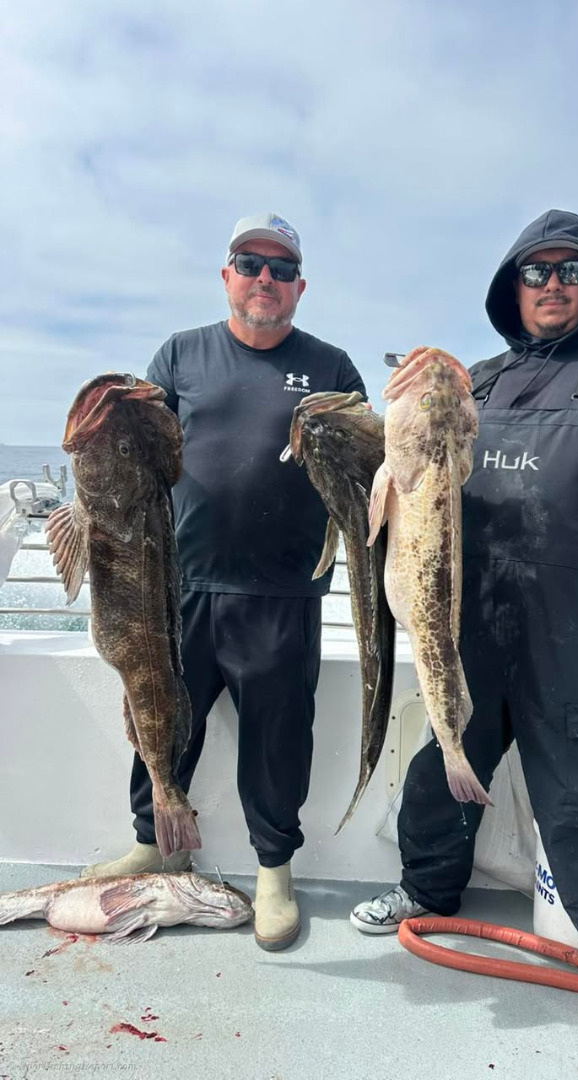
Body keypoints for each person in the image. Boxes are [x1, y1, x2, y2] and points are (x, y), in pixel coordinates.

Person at [350, 210, 578, 1079]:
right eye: (535, 271)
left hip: (577, 645)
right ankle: (428, 889)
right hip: (473, 626)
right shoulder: (479, 380)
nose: (552, 284)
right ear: (512, 286)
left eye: (569, 269)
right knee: (440, 773)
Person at [82, 212, 366, 952]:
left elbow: (364, 462)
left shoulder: (332, 366)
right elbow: (139, 458)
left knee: (277, 738)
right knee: (161, 716)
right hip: (177, 588)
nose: (264, 278)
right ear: (227, 276)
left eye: (280, 268)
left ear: (299, 286)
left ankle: (275, 869)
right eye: (250, 263)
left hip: (283, 591)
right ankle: (154, 840)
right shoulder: (180, 355)